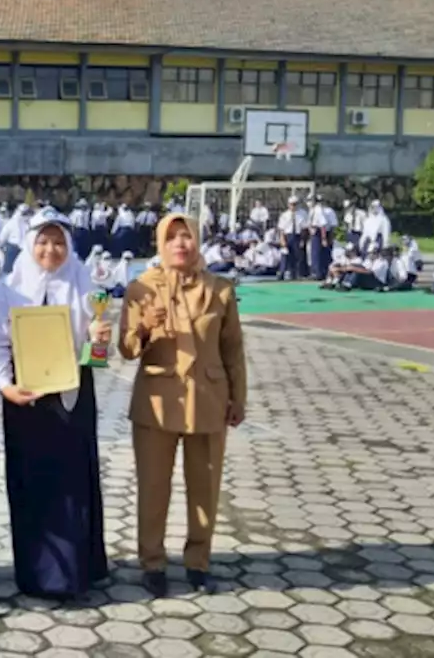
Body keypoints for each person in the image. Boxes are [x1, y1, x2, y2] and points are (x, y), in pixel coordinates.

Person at [118, 212, 247, 597]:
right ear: (160, 243)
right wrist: (145, 326)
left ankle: (198, 562)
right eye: (172, 237)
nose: (180, 244)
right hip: (157, 401)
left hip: (208, 399)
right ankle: (152, 563)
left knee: (204, 488)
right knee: (153, 488)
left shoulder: (221, 289)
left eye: (186, 236)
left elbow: (233, 350)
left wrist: (238, 398)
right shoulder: (141, 288)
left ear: (197, 241)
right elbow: (125, 349)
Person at [0, 207, 110, 598]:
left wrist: (100, 341)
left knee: (74, 481)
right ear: (29, 243)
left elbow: (96, 355)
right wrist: (5, 387)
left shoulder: (84, 285)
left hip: (71, 395)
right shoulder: (9, 288)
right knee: (31, 481)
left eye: (58, 241)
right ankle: (37, 572)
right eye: (42, 240)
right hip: (26, 399)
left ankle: (76, 571)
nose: (50, 249)